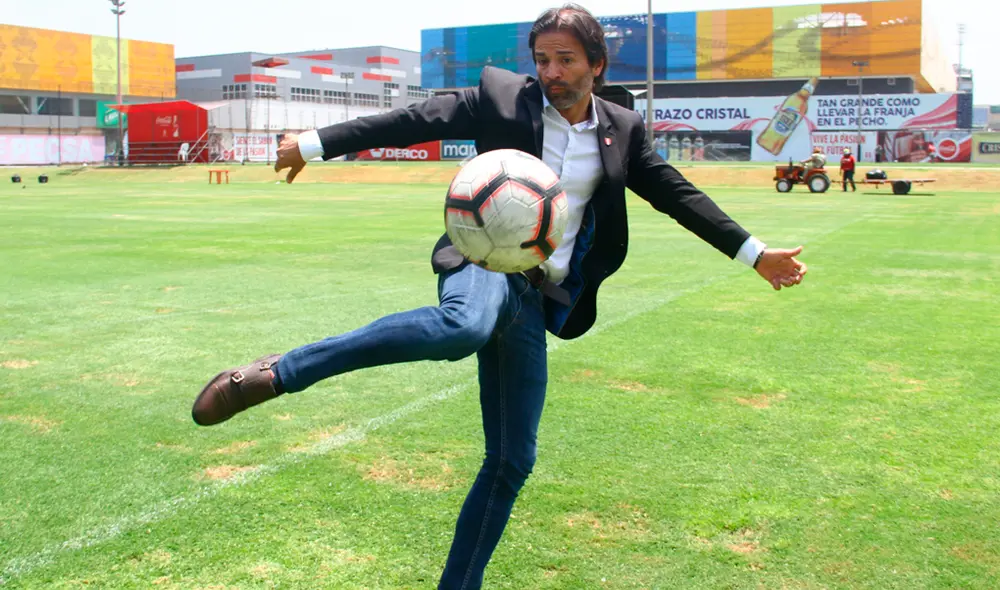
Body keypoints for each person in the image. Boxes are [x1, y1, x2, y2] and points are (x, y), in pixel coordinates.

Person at [190, 4, 808, 588]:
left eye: (565, 60)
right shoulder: (502, 97)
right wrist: (316, 142)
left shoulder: (623, 127)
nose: (551, 73)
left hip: (537, 297)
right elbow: (414, 120)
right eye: (542, 59)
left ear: (597, 65)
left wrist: (754, 254)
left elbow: (676, 193)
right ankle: (277, 373)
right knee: (461, 327)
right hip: (483, 262)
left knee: (512, 460)